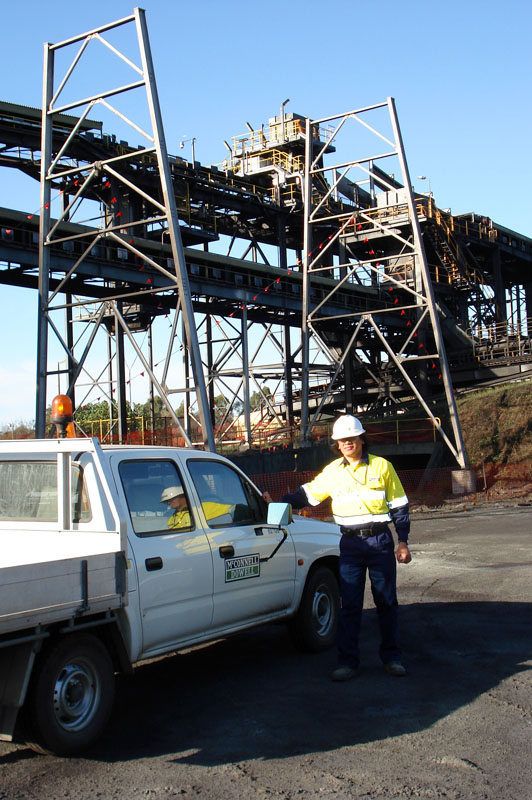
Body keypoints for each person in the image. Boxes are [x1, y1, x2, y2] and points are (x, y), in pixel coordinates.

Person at [282, 414, 411, 681]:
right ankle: (348, 662)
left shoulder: (382, 467)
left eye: (351, 438)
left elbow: (399, 506)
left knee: (386, 602)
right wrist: (279, 503)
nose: (347, 443)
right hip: (350, 544)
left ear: (361, 439)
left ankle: (392, 658)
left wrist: (402, 541)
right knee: (350, 604)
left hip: (379, 541)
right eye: (342, 440)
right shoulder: (332, 472)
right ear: (337, 445)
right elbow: (307, 495)